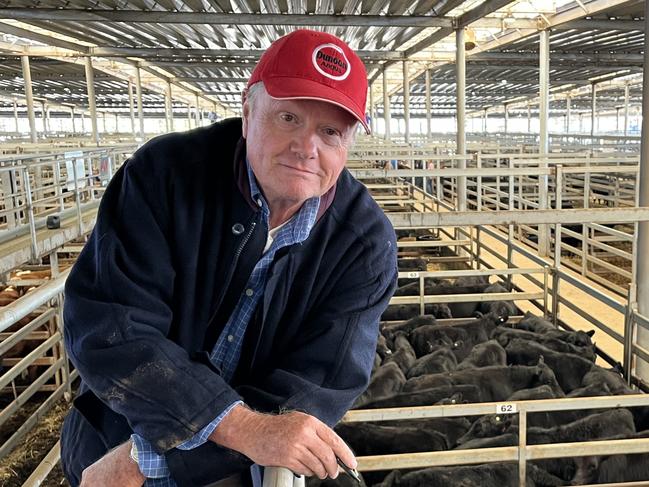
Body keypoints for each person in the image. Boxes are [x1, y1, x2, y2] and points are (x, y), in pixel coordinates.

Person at [60, 29, 397, 487]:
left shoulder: (365, 243)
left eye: (330, 130)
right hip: (112, 439)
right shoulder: (163, 176)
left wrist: (148, 458)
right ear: (247, 112)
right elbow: (114, 328)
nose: (306, 146)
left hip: (223, 472)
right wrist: (245, 428)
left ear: (349, 142)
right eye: (288, 117)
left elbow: (315, 384)